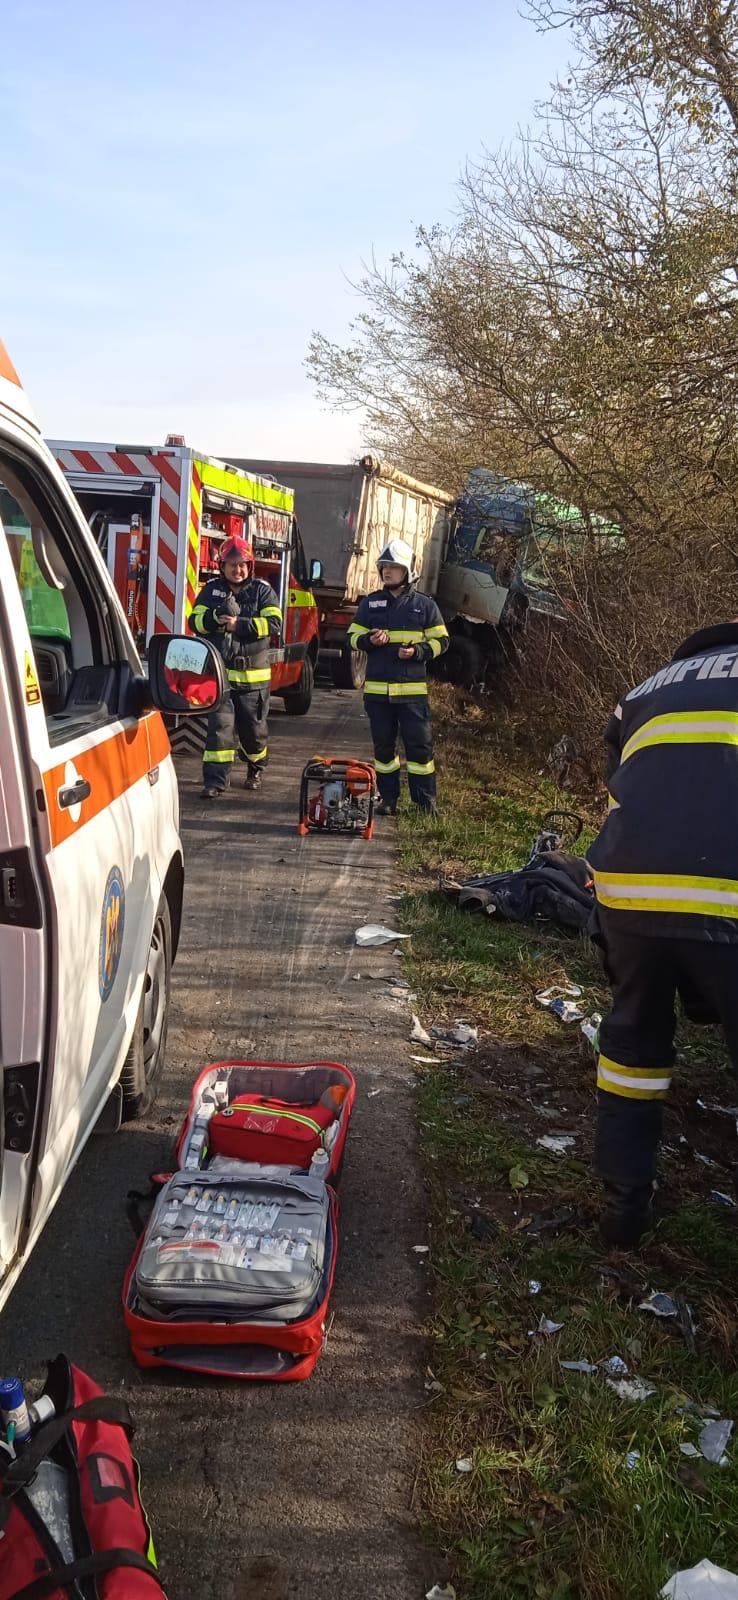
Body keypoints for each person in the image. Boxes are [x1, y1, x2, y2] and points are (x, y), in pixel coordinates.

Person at [588, 618, 738, 1247]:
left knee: (633, 1042)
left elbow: (616, 767)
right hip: (727, 893)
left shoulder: (651, 686)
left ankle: (624, 1208)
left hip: (630, 887)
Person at [348, 539, 449, 814]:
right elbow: (352, 638)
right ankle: (388, 800)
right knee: (384, 751)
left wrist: (418, 651)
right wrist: (369, 640)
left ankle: (425, 803)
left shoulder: (425, 606)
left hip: (412, 696)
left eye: (394, 567)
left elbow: (442, 642)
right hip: (378, 696)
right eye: (384, 567)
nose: (388, 572)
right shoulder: (370, 604)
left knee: (420, 751)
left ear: (408, 571)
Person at [190, 535, 282, 799]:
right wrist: (215, 617)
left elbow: (274, 625)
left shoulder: (263, 591)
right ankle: (215, 782)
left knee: (254, 733)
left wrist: (238, 625)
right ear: (222, 566)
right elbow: (195, 622)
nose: (237, 569)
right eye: (231, 564)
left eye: (242, 564)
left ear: (250, 565)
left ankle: (256, 767)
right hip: (220, 678)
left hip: (254, 680)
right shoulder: (211, 591)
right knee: (219, 731)